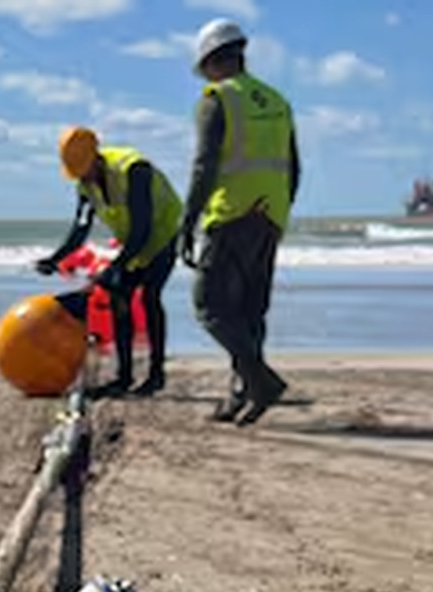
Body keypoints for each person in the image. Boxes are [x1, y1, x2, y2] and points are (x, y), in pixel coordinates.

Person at [178, 19, 300, 425]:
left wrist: (187, 222)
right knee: (250, 312)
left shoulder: (217, 98)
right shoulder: (277, 101)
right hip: (270, 214)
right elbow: (295, 167)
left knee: (209, 306)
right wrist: (279, 213)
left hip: (230, 213)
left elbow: (204, 166)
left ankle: (261, 382)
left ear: (213, 61)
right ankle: (241, 394)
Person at [35, 127, 184, 398]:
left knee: (150, 296)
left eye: (85, 170)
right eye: (78, 173)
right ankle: (124, 377)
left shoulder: (134, 170)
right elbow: (80, 229)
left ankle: (156, 375)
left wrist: (116, 267)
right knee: (118, 296)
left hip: (162, 233)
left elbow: (143, 227)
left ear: (96, 157)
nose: (84, 178)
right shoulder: (85, 184)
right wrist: (55, 259)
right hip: (133, 240)